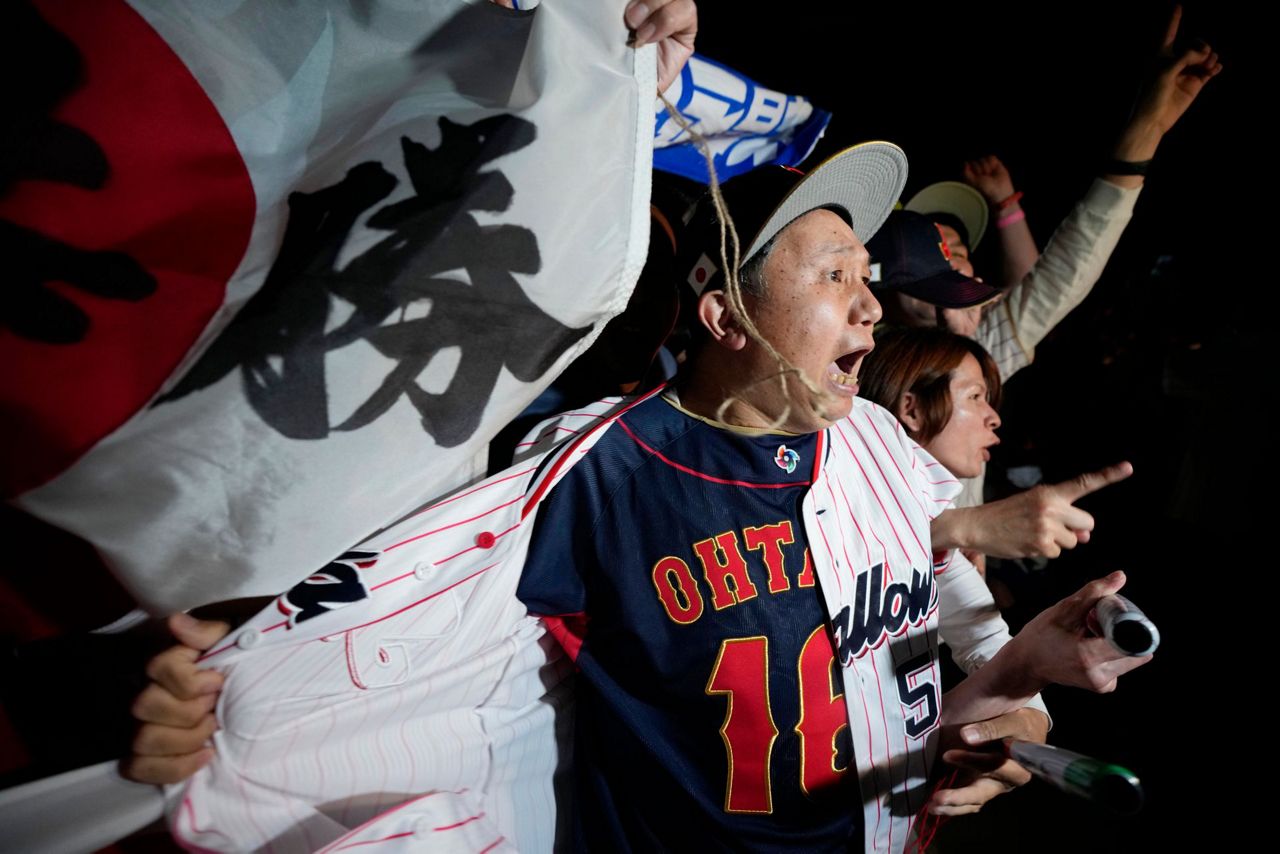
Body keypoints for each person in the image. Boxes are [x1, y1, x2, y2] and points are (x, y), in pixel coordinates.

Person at [121, 146, 1148, 853]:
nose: (870, 301)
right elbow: (392, 598)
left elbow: (915, 626)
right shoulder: (595, 468)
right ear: (723, 311)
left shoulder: (878, 441)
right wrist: (215, 691)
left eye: (868, 272)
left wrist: (1012, 692)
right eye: (834, 271)